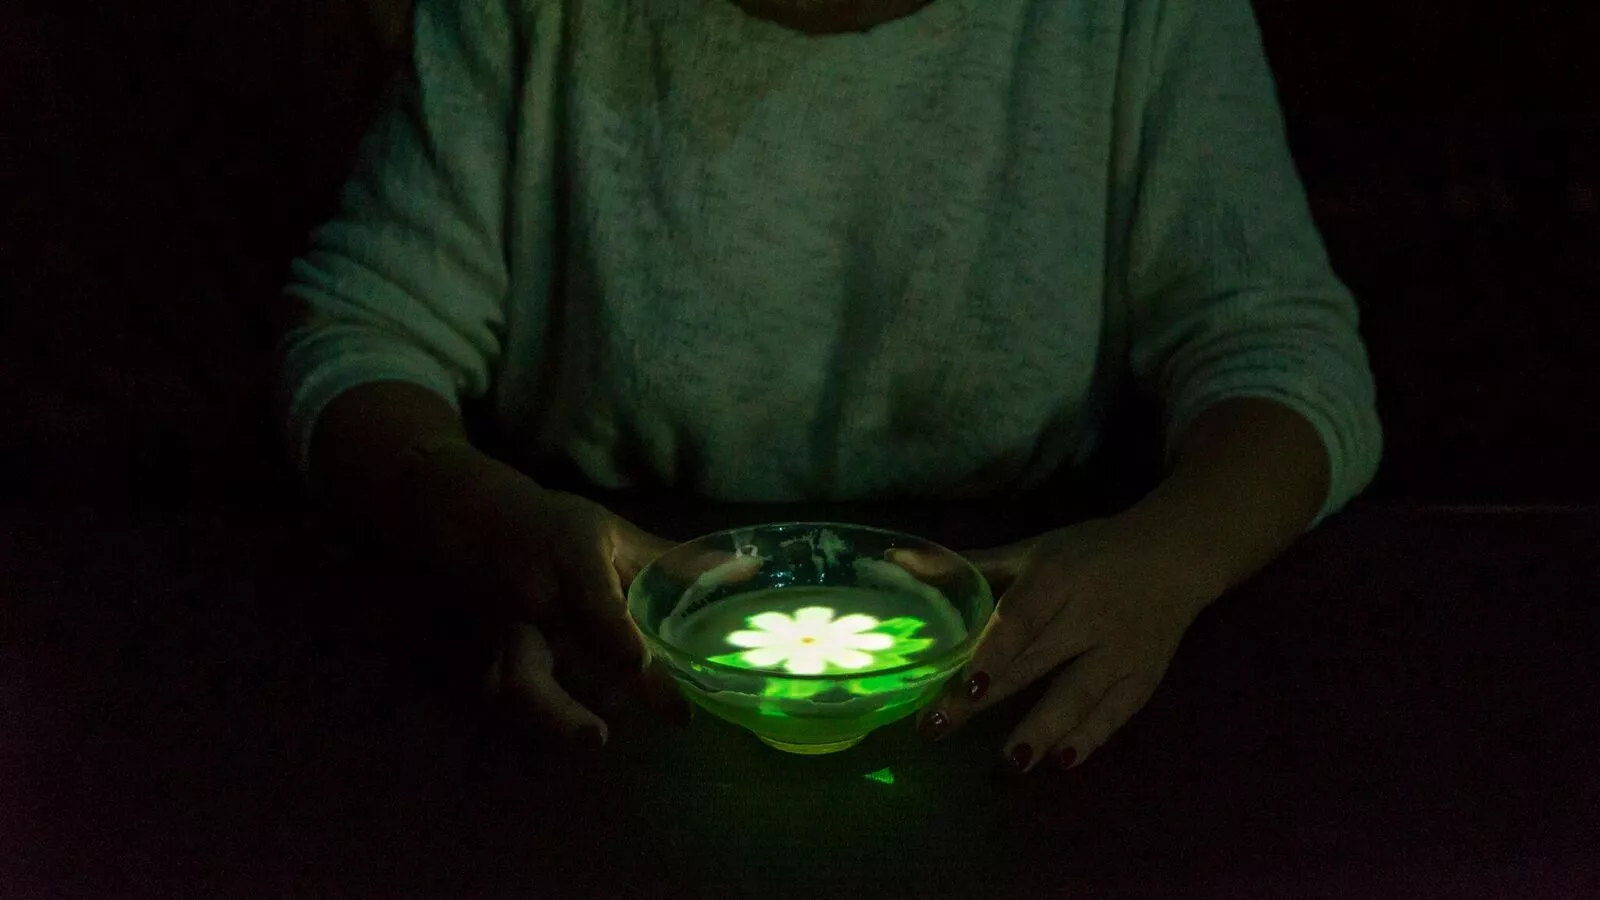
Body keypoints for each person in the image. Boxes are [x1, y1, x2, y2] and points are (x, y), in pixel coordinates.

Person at [277, 0, 1382, 774]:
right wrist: (480, 524)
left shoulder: (1131, 18)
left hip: (1017, 672)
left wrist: (1168, 557)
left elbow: (1280, 352)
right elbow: (363, 338)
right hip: (600, 676)